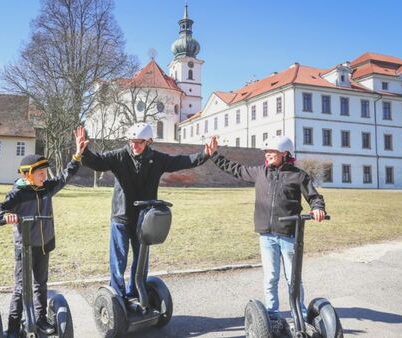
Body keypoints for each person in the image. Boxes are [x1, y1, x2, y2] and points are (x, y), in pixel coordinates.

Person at [78, 123, 215, 301]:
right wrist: (84, 152)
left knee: (141, 260)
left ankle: (135, 292)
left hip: (145, 218)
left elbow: (181, 161)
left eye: (139, 142)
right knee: (118, 261)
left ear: (148, 141)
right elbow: (97, 162)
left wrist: (205, 155)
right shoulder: (119, 156)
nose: (134, 146)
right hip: (121, 216)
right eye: (132, 141)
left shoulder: (157, 159)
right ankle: (117, 298)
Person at [207, 135, 326, 333]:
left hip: (289, 235)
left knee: (293, 278)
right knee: (271, 277)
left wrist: (318, 208)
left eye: (272, 151)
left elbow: (314, 197)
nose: (267, 155)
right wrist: (214, 155)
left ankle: (300, 315)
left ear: (284, 154)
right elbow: (234, 169)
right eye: (266, 152)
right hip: (267, 235)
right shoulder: (260, 172)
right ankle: (272, 315)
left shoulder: (298, 175)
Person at [0, 127, 88, 337]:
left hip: (44, 245)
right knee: (20, 288)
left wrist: (77, 155)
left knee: (40, 284)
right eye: (40, 174)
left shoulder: (46, 188)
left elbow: (65, 176)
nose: (45, 177)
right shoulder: (17, 193)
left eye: (45, 173)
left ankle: (41, 319)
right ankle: (14, 327)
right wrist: (4, 217)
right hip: (24, 248)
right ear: (27, 175)